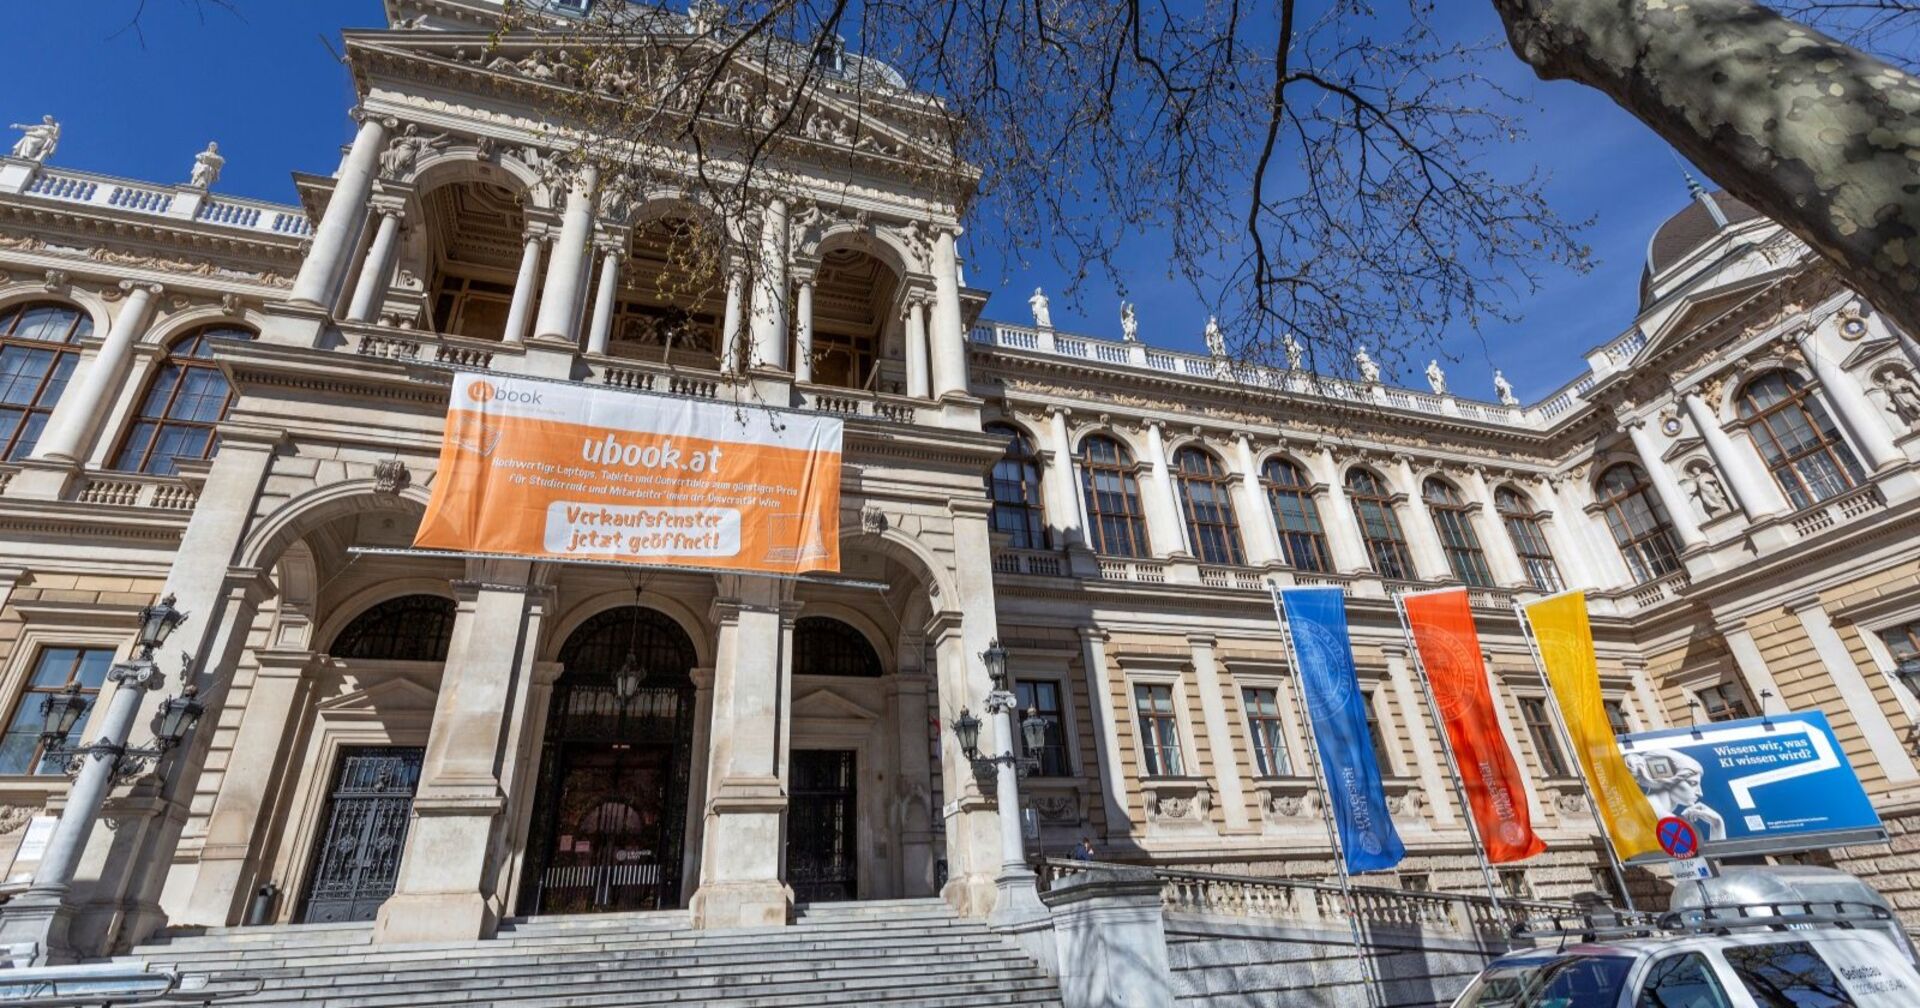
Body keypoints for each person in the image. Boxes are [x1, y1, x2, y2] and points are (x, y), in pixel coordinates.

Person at [1625, 748, 1726, 841]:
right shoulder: (1668, 822)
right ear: (1668, 780)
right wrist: (1717, 825)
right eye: (1692, 783)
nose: (1700, 793)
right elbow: (1710, 859)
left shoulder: (1641, 806)